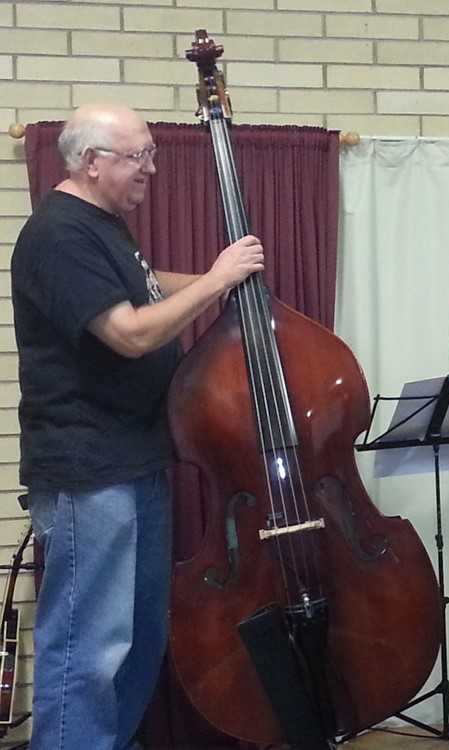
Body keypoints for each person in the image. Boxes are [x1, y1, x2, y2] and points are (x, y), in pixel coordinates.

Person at [12, 103, 265, 750]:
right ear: (91, 162)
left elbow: (147, 288)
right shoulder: (58, 234)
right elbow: (127, 332)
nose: (151, 168)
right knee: (89, 646)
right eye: (138, 156)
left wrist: (230, 285)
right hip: (88, 469)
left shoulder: (104, 225)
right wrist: (215, 282)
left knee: (140, 637)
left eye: (151, 154)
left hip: (137, 459)